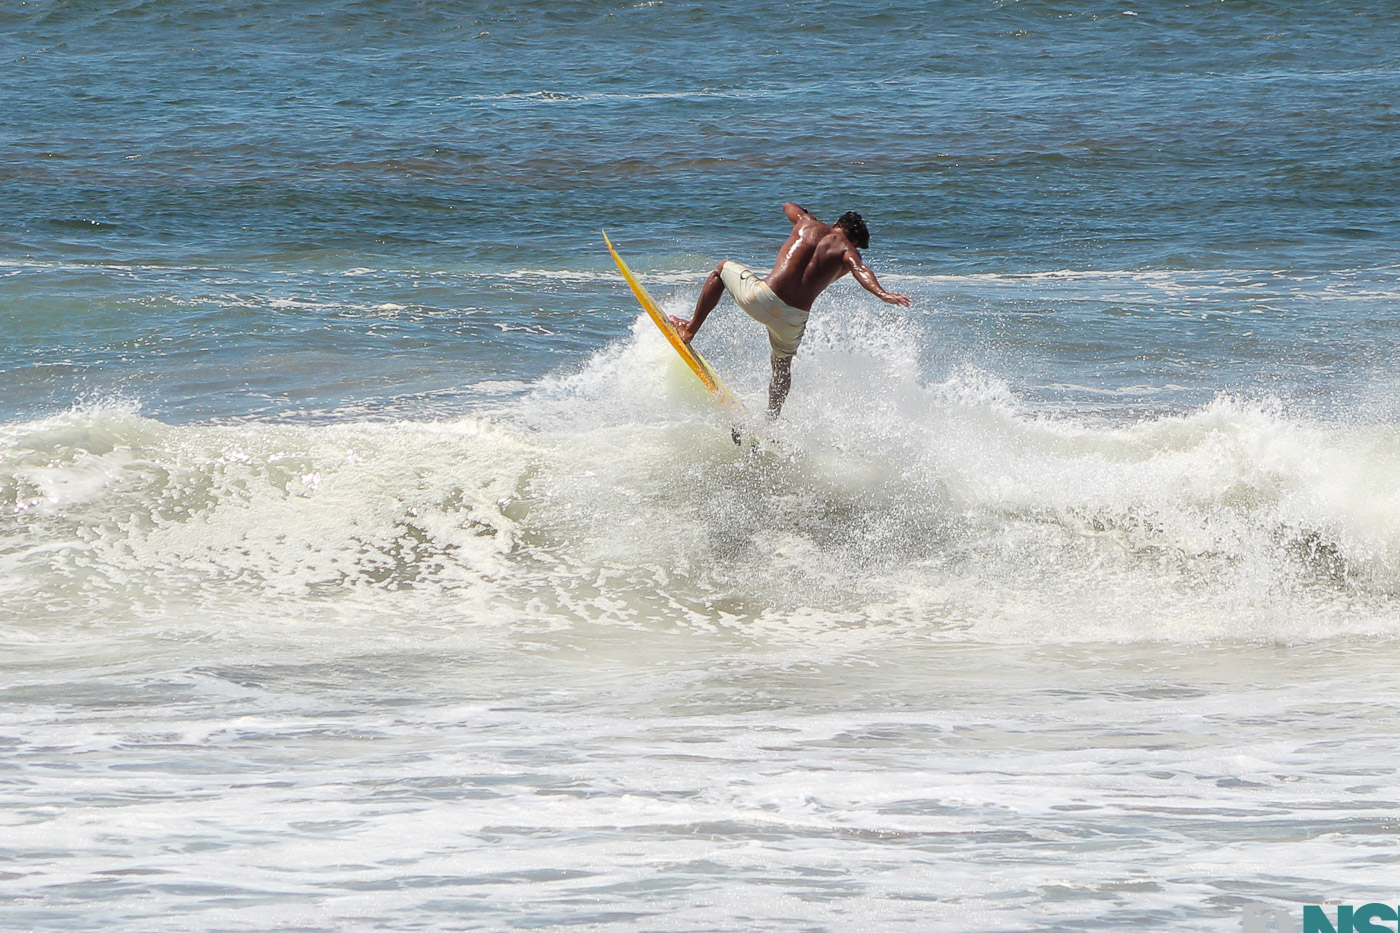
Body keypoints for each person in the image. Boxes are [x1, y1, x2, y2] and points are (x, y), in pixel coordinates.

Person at [670, 202, 911, 416]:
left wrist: (806, 216)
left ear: (837, 223)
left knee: (722, 269)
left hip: (762, 298)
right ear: (855, 240)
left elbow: (788, 205)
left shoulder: (806, 223)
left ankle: (690, 330)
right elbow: (861, 270)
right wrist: (881, 293)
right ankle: (771, 420)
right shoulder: (849, 252)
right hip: (793, 320)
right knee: (782, 366)